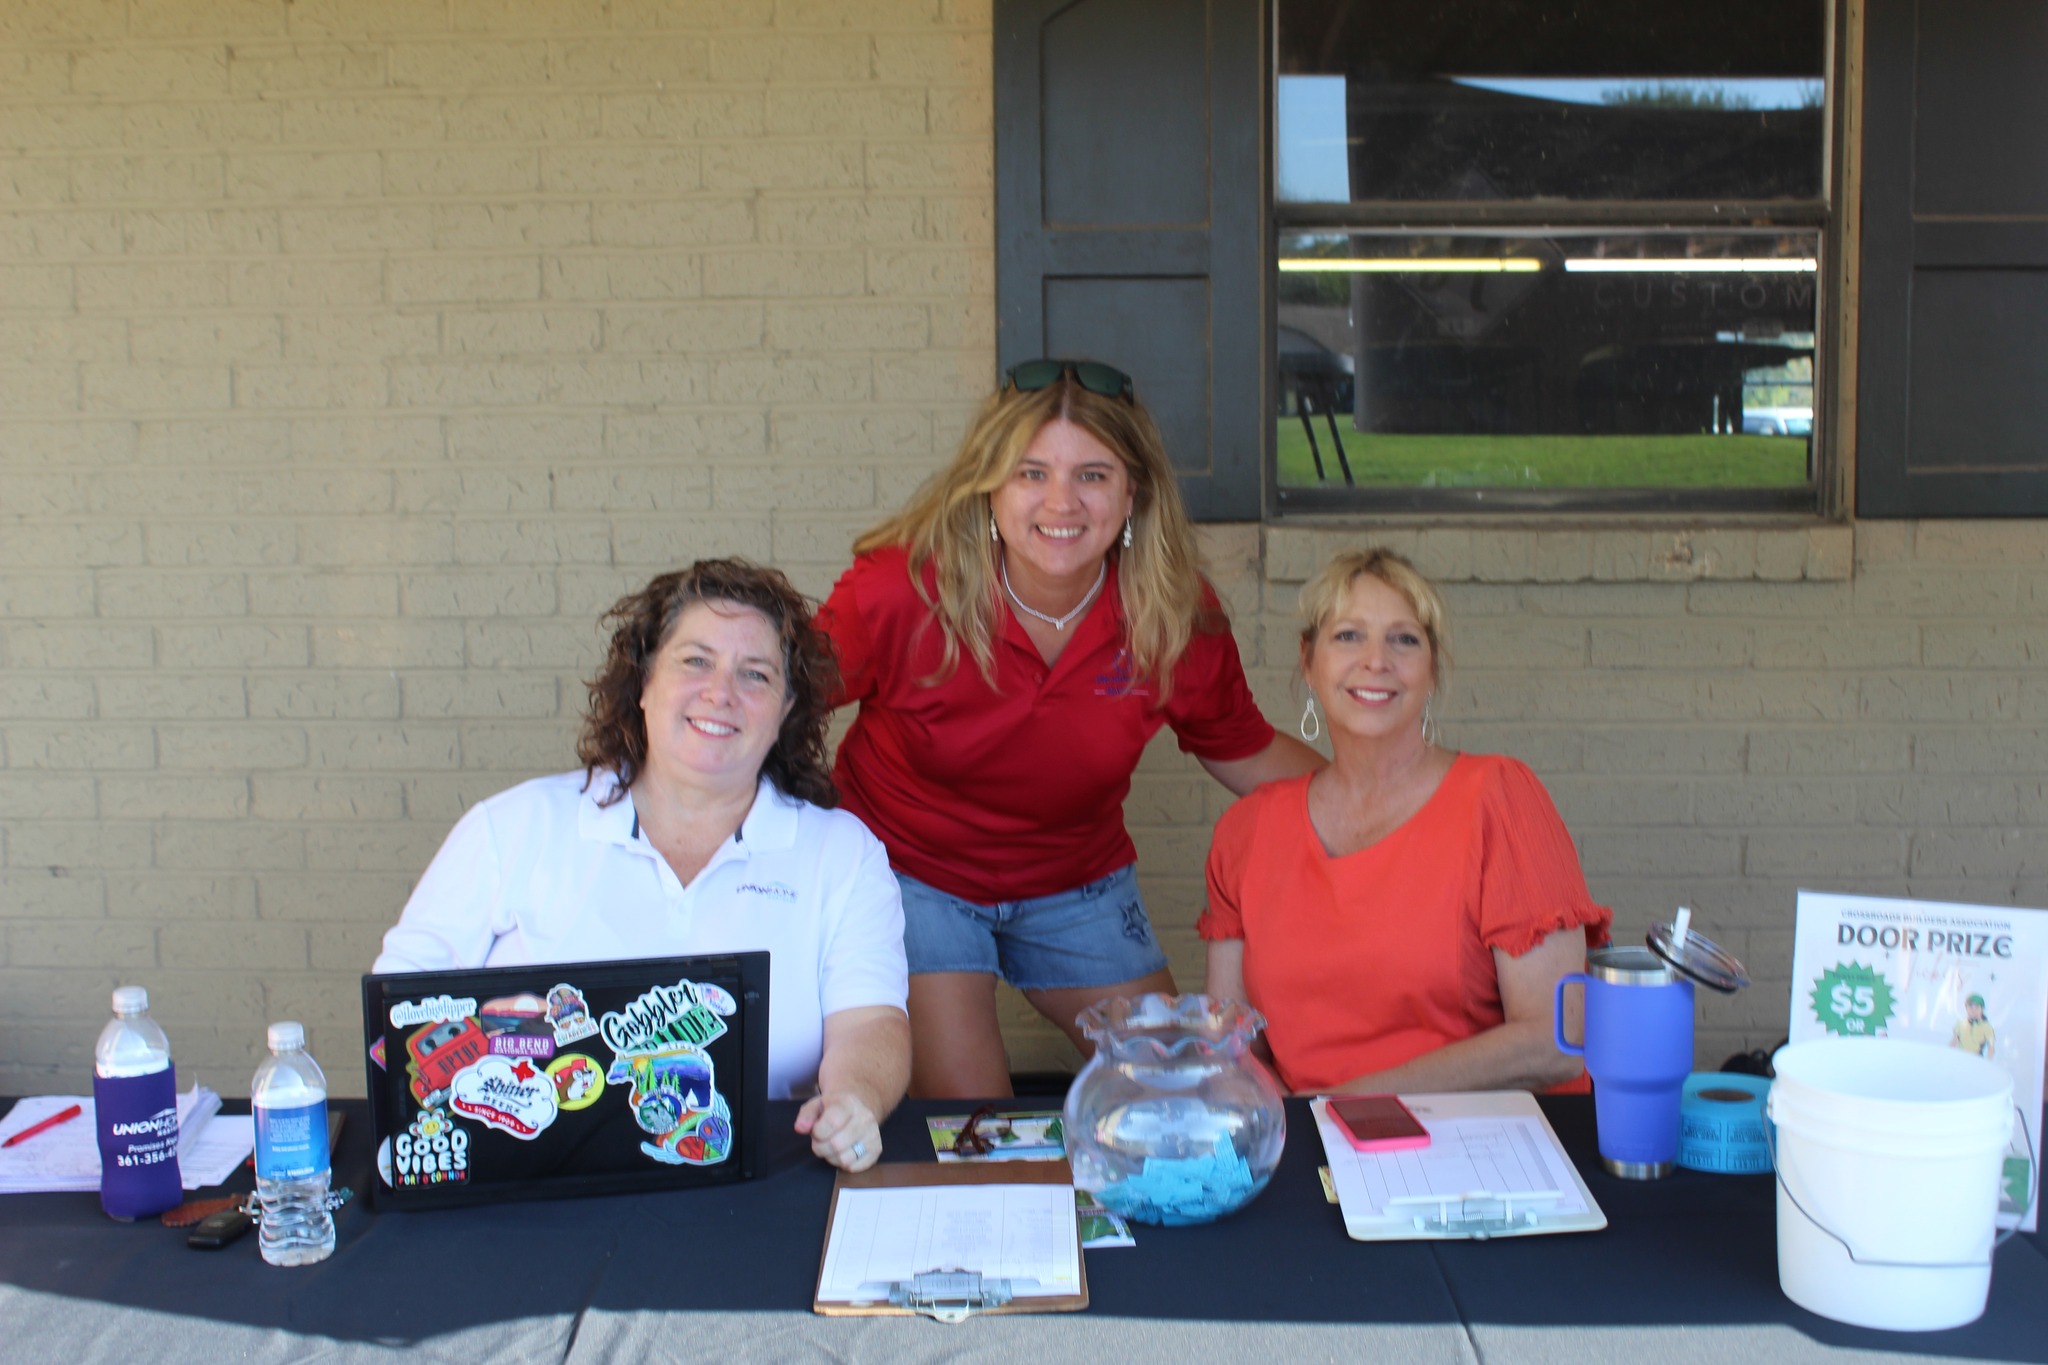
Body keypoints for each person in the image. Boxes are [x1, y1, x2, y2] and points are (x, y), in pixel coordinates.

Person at [816, 359, 1322, 1097]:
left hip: (1077, 882)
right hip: (912, 874)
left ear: (1133, 491)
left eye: (1093, 475)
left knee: (1185, 1088)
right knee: (976, 1124)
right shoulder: (901, 586)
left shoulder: (1172, 610)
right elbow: (772, 705)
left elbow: (1243, 749)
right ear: (988, 485)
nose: (1061, 502)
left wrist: (1397, 807)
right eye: (1031, 473)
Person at [375, 560, 909, 1170]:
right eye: (696, 661)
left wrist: (854, 1100)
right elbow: (400, 1003)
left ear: (786, 707)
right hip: (525, 1176)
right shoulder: (512, 827)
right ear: (644, 682)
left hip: (750, 1178)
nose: (721, 693)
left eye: (755, 674)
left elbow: (872, 1023)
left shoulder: (842, 853)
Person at [1202, 548, 1611, 1095]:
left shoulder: (1499, 799)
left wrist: (1343, 1105)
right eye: (1348, 635)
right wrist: (1296, 1125)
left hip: (1483, 1135)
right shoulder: (1246, 832)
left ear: (1432, 668)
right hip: (1311, 1133)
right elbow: (1230, 1048)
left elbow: (1556, 1041)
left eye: (1404, 639)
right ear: (1308, 661)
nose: (1376, 660)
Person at [1952, 993, 1996, 1059]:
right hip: (1960, 1058)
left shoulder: (1986, 1027)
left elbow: (1991, 1046)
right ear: (1966, 1008)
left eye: (1977, 1007)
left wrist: (1988, 1061)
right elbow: (1954, 1042)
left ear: (1982, 1009)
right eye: (1970, 1007)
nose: (1973, 1010)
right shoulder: (1960, 1024)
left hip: (1976, 1059)